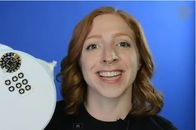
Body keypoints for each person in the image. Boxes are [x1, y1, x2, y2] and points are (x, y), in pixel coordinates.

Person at [45, 6, 177, 130]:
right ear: (78, 62)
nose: (109, 57)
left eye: (122, 44)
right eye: (93, 46)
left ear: (139, 60)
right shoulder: (42, 122)